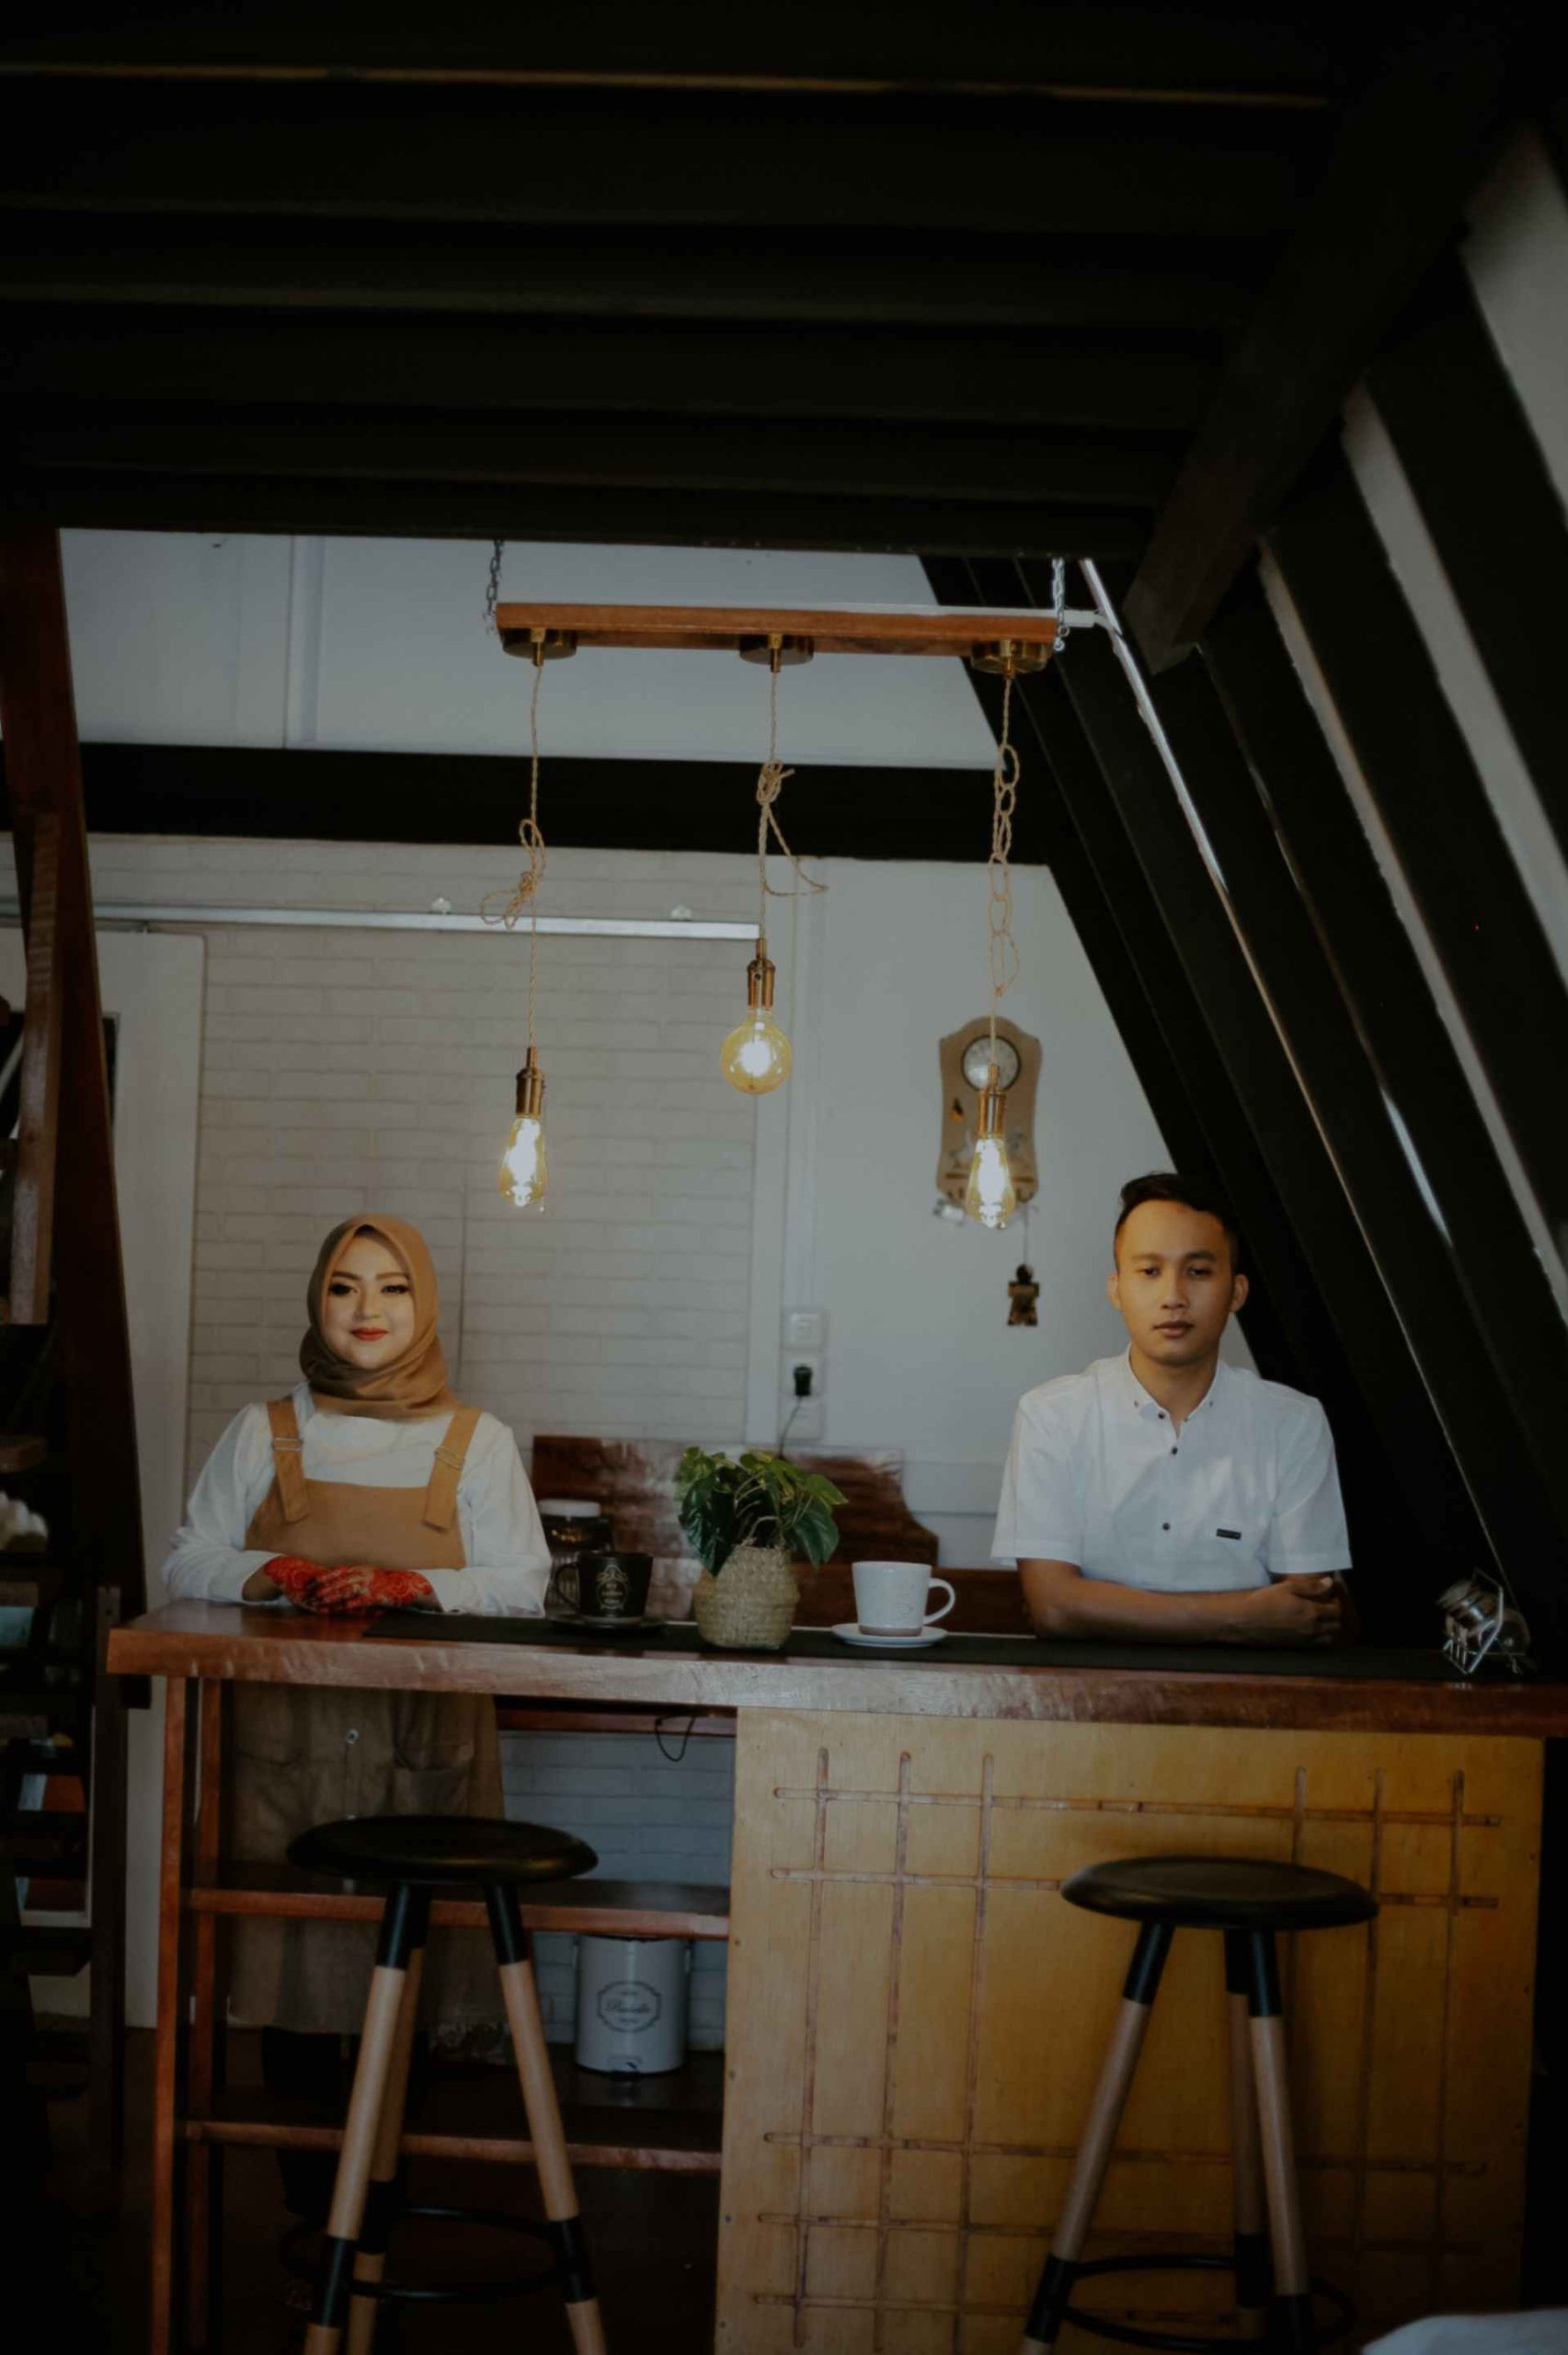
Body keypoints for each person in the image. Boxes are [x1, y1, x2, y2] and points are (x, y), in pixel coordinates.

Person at [163, 1211, 549, 2208]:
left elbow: (524, 1585)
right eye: (344, 1285)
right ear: (317, 1302)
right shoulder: (264, 1429)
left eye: (392, 1286)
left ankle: (374, 2213)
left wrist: (412, 1586)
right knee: (288, 1974)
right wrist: (277, 1570)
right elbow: (187, 1559)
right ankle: (312, 2219)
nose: (366, 1308)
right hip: (282, 1748)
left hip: (424, 1747)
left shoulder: (477, 1440)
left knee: (408, 1974)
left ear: (425, 1305)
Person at [992, 1172, 1351, 1646]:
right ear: (1117, 1289)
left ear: (1236, 1292)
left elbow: (1305, 1614)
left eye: (1198, 1271)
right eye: (1149, 1271)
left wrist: (1101, 1607)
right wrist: (1242, 1617)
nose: (1174, 1297)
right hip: (1087, 1690)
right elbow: (1054, 1609)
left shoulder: (1293, 1423)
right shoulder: (1051, 1416)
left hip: (1249, 1690)